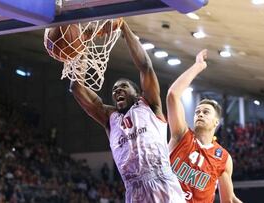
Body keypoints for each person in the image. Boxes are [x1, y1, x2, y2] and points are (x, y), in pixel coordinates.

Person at [70, 20, 185, 203]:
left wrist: (123, 27)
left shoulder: (150, 105)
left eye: (123, 86)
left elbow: (145, 66)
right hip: (134, 191)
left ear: (137, 93)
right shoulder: (109, 118)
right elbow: (77, 88)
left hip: (163, 184)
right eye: (114, 89)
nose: (117, 90)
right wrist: (82, 44)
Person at [167, 49, 242, 203]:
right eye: (197, 112)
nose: (200, 114)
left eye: (206, 112)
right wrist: (198, 66)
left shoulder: (224, 158)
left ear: (217, 122)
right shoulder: (181, 135)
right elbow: (173, 95)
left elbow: (229, 200)